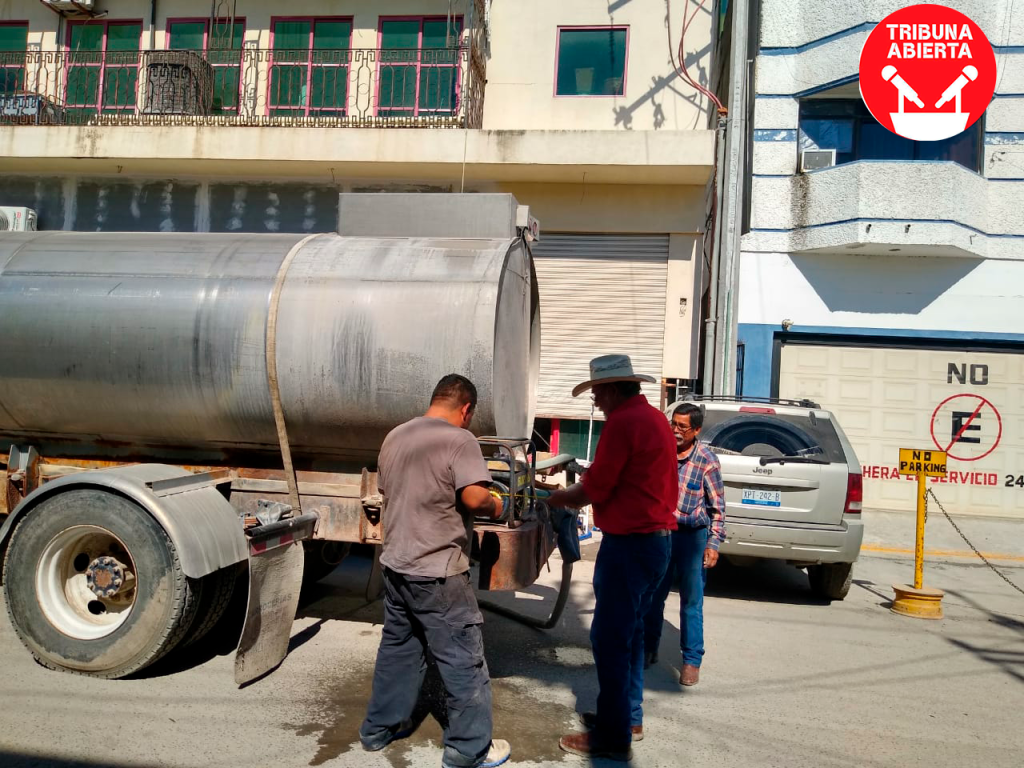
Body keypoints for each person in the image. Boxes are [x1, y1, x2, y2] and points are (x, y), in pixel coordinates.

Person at [359, 374, 511, 768]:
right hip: (438, 572)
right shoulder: (460, 439)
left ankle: (378, 730)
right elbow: (475, 497)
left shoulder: (395, 435)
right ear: (466, 409)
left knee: (398, 651)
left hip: (395, 565)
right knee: (463, 662)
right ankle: (468, 751)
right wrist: (498, 504)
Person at [548, 354, 678, 762]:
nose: (596, 401)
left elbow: (594, 489)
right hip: (653, 543)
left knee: (609, 640)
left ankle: (612, 735)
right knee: (631, 636)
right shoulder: (654, 417)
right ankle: (628, 719)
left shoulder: (624, 423)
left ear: (615, 388)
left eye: (598, 393)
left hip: (631, 545)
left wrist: (554, 497)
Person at [644, 402, 726, 687]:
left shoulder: (707, 460)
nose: (676, 431)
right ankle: (648, 649)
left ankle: (692, 660)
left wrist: (713, 544)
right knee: (653, 596)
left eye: (683, 427)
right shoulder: (661, 453)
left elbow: (718, 508)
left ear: (696, 430)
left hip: (693, 537)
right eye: (673, 425)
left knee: (692, 601)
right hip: (662, 534)